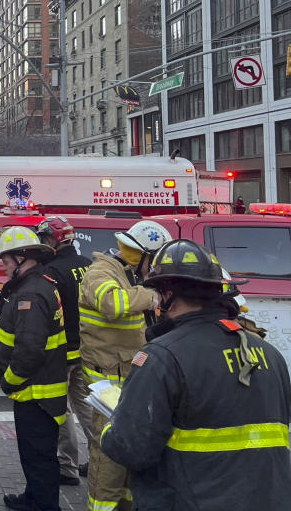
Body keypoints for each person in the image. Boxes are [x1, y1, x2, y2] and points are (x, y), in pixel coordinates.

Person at [100, 239, 291, 510]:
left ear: (167, 294)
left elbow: (132, 448)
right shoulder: (269, 354)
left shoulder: (161, 356)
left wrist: (113, 424)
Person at [79, 219, 171, 511]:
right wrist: (152, 296)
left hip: (127, 375)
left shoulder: (128, 274)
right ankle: (102, 506)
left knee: (129, 447)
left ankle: (126, 505)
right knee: (108, 450)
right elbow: (113, 305)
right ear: (143, 254)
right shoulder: (101, 272)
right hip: (107, 381)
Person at [0, 226, 68, 511]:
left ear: (22, 258)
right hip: (41, 392)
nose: (4, 265)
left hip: (36, 393)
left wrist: (9, 380)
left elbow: (29, 350)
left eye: (6, 260)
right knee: (35, 455)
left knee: (39, 457)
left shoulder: (30, 295)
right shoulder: (37, 285)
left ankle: (45, 505)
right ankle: (33, 497)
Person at [35, 216, 93, 485]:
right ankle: (101, 461)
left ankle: (67, 467)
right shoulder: (88, 266)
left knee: (62, 410)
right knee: (87, 406)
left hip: (63, 351)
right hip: (87, 348)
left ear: (55, 240)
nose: (41, 243)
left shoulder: (53, 271)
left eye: (44, 238)